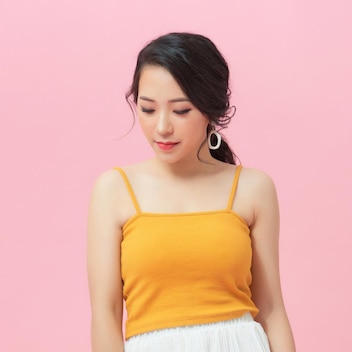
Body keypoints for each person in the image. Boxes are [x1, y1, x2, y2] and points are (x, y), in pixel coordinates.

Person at [87, 32, 296, 352]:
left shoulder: (253, 188)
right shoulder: (113, 190)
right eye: (148, 109)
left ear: (209, 109)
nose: (162, 128)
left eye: (181, 111)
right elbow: (106, 313)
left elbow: (270, 309)